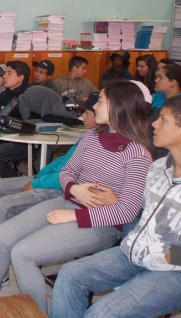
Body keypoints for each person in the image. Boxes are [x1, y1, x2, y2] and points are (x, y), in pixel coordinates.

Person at [0, 81, 153, 316]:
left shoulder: (138, 153)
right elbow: (67, 172)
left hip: (101, 223)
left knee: (23, 253)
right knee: (2, 234)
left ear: (118, 107)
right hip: (69, 202)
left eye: (100, 101)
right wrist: (74, 189)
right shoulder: (91, 138)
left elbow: (128, 211)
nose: (94, 106)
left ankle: (36, 313)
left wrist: (74, 215)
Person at [50, 96, 181, 318]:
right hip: (135, 254)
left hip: (173, 272)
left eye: (163, 120)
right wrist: (117, 201)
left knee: (101, 314)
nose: (154, 124)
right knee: (70, 274)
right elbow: (142, 211)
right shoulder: (159, 168)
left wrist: (168, 255)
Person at [0, 92, 101, 290]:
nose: (82, 116)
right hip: (49, 180)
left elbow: (66, 176)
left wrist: (38, 183)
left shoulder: (101, 145)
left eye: (87, 113)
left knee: (5, 205)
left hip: (58, 190)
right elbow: (62, 164)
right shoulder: (90, 137)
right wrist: (38, 178)